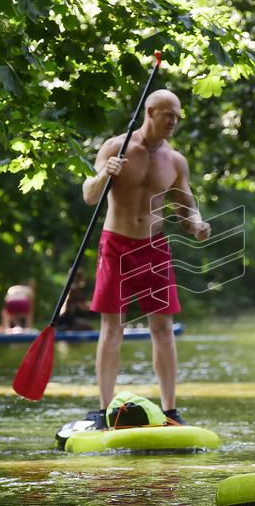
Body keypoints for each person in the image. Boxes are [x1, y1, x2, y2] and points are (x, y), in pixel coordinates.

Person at [82, 89, 211, 428]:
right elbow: (89, 195)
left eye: (178, 117)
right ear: (151, 111)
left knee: (163, 328)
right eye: (169, 115)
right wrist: (104, 174)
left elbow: (187, 207)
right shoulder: (117, 147)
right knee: (111, 328)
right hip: (116, 245)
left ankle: (170, 411)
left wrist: (196, 225)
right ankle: (104, 409)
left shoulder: (175, 161)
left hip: (154, 247)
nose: (174, 122)